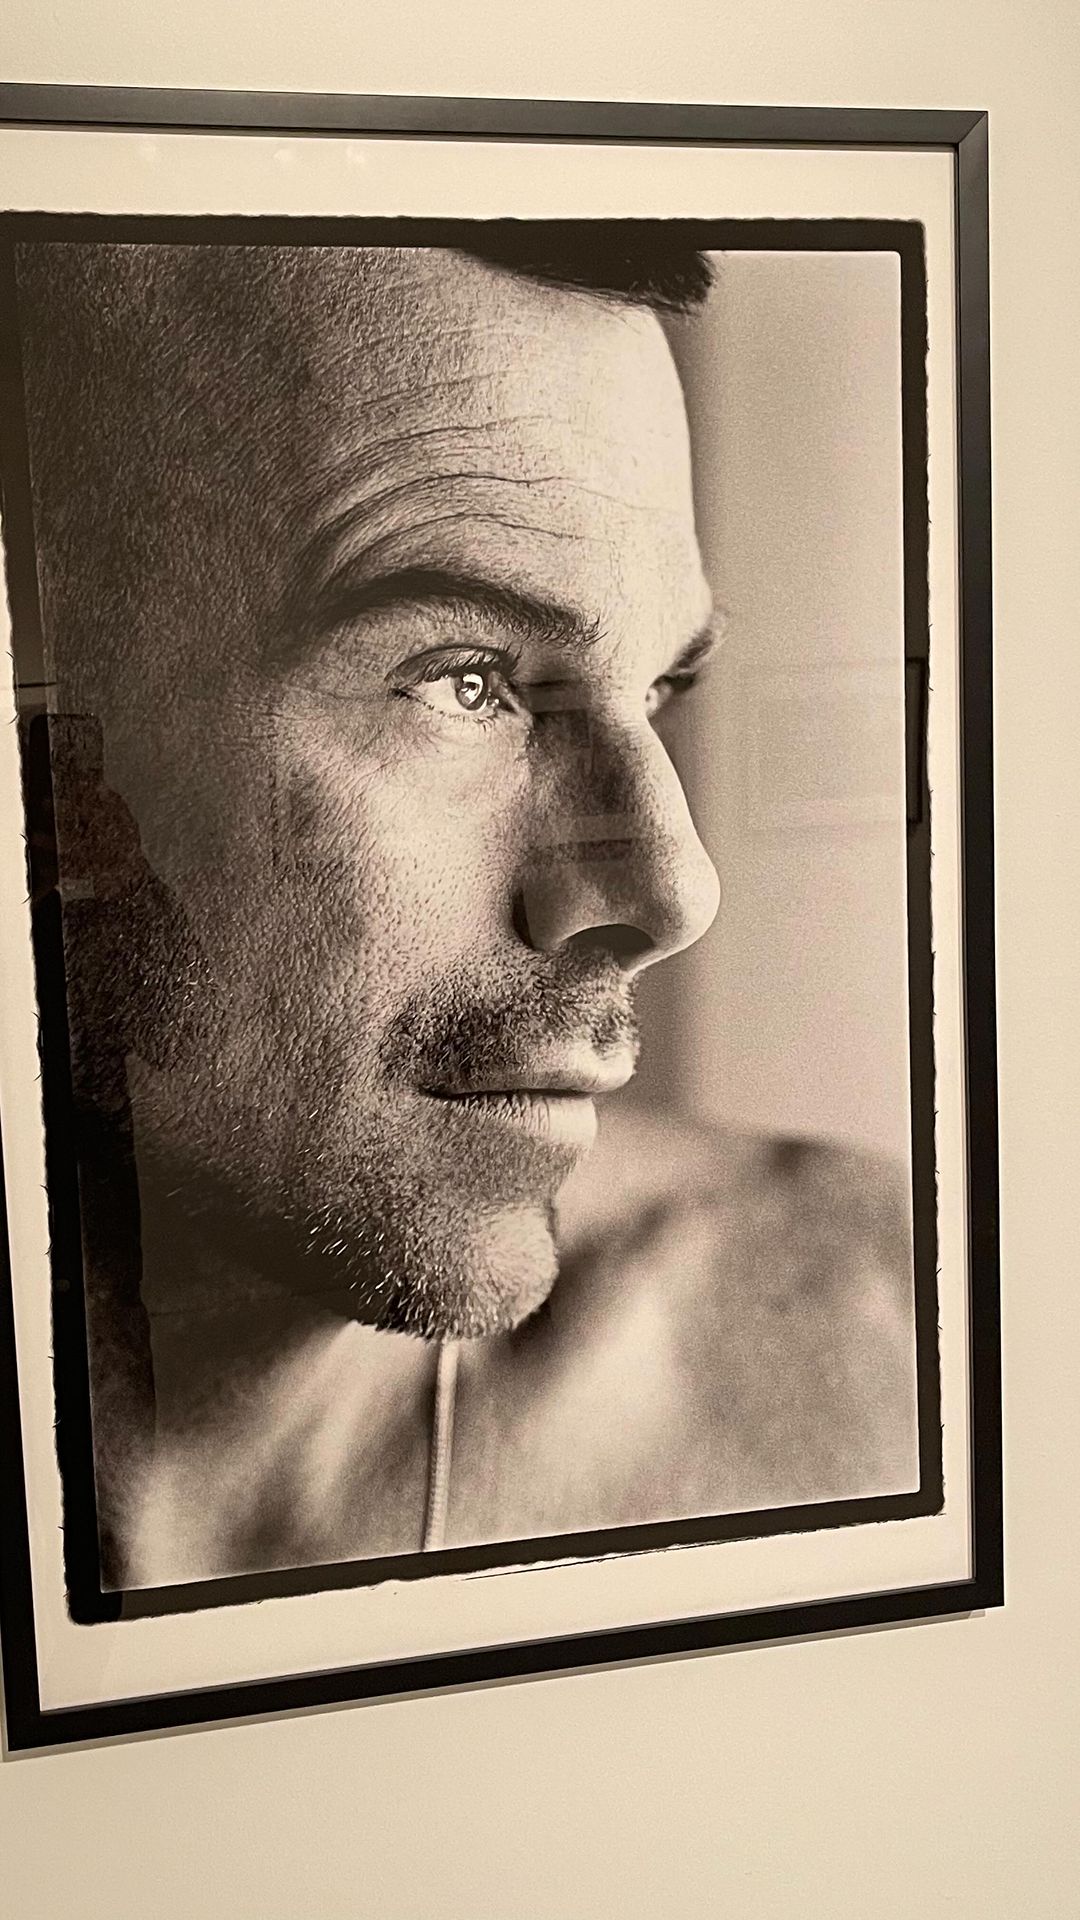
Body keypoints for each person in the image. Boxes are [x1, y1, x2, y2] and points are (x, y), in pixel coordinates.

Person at [12, 234, 919, 1591]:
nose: (669, 892)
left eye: (658, 690)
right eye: (465, 678)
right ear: (49, 741)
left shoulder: (897, 1352)